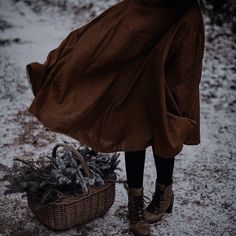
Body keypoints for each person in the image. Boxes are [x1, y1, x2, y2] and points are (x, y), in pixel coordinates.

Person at [26, 0, 205, 235]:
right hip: (146, 16)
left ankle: (164, 192)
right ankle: (135, 202)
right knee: (134, 118)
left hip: (182, 25)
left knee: (169, 117)